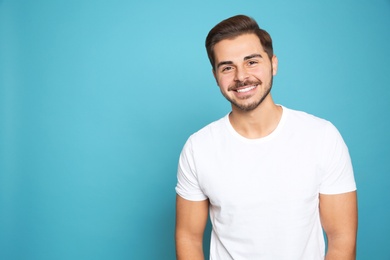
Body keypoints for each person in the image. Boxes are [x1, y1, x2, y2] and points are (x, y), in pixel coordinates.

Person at [175, 14, 357, 260]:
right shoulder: (198, 148)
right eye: (227, 67)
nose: (241, 76)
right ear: (216, 77)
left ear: (273, 64)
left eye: (251, 62)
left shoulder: (321, 136)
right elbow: (188, 238)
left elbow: (341, 238)